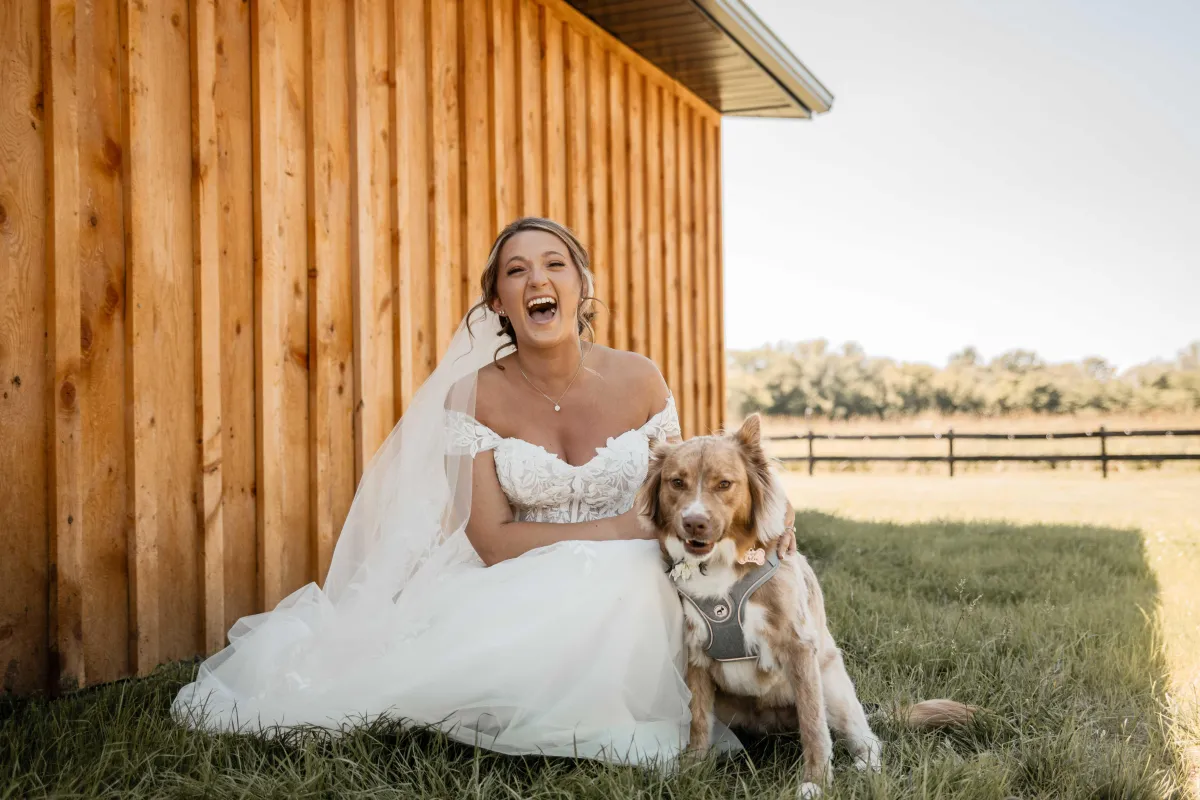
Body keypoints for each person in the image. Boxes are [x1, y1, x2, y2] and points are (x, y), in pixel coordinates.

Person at [172, 217, 796, 766]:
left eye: (554, 265)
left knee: (648, 582)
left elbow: (689, 491)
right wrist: (622, 532)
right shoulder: (472, 394)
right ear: (498, 300)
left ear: (582, 285)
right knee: (607, 586)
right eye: (516, 271)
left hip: (642, 569)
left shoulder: (640, 377)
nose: (537, 279)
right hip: (516, 575)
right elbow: (492, 541)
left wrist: (769, 515)